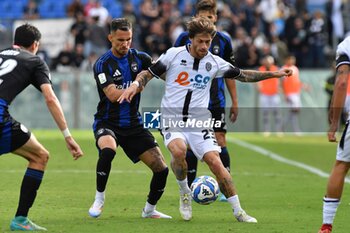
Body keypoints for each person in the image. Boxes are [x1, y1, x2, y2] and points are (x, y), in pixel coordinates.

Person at [119, 16, 292, 222]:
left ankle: (239, 211)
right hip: (171, 117)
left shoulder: (214, 62)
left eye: (208, 42)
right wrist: (135, 85)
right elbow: (148, 73)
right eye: (200, 41)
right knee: (179, 150)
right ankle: (185, 193)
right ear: (190, 39)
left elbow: (243, 75)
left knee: (215, 163)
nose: (204, 46)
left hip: (199, 120)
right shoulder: (174, 55)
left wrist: (274, 74)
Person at [0, 23, 83, 231]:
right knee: (40, 156)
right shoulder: (35, 61)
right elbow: (51, 98)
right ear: (36, 44)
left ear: (15, 41)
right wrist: (67, 136)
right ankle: (20, 220)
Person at [88, 18, 171, 219]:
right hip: (108, 122)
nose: (125, 44)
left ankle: (149, 210)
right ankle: (99, 199)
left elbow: (165, 75)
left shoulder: (140, 58)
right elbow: (113, 95)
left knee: (161, 169)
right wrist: (137, 84)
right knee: (108, 150)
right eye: (120, 40)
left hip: (134, 124)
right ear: (110, 38)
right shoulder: (102, 64)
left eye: (128, 39)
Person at [174, 0, 238, 201]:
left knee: (220, 141)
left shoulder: (224, 40)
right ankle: (191, 189)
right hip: (191, 105)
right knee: (191, 145)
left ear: (216, 18)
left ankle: (224, 187)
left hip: (216, 102)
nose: (207, 21)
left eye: (210, 17)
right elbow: (175, 67)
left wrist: (234, 101)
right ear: (196, 19)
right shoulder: (185, 38)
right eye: (202, 18)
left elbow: (231, 73)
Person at [318, 36, 350, 233]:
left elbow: (341, 83)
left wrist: (333, 123)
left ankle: (326, 226)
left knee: (342, 164)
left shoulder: (347, 45)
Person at [281, 55, 307, 135]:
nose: (292, 61)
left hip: (296, 93)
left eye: (293, 59)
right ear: (287, 60)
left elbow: (297, 81)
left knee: (293, 112)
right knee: (294, 111)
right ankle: (296, 130)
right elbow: (281, 83)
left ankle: (282, 127)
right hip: (289, 93)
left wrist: (304, 86)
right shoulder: (283, 69)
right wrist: (284, 94)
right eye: (291, 59)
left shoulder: (295, 69)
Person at [257, 55, 282, 136]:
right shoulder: (261, 69)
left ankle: (279, 130)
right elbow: (257, 80)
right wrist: (259, 86)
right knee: (265, 113)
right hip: (265, 94)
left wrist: (279, 87)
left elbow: (279, 80)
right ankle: (266, 130)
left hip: (274, 94)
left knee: (276, 112)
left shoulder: (276, 69)